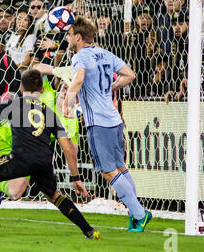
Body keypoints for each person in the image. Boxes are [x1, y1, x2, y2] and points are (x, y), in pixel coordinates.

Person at [0, 69, 100, 239]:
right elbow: (68, 148)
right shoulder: (50, 114)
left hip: (19, 160)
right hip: (43, 163)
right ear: (41, 90)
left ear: (20, 89)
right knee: (54, 196)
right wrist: (75, 178)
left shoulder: (15, 104)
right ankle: (89, 230)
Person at [63, 16, 152, 232]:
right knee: (120, 167)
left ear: (78, 37)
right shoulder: (106, 54)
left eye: (69, 35)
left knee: (108, 172)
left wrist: (68, 101)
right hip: (114, 118)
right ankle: (135, 212)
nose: (67, 38)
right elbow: (130, 75)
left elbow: (79, 78)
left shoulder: (79, 57)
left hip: (99, 123)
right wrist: (111, 87)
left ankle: (140, 214)